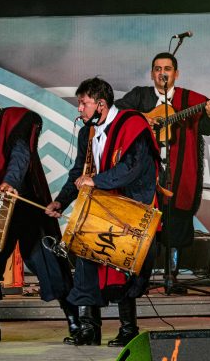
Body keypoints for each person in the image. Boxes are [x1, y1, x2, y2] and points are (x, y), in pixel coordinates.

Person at [0, 76, 75, 342]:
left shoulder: (13, 120)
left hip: (23, 208)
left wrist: (10, 182)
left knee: (49, 262)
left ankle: (77, 323)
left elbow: (21, 155)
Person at [46, 77, 160, 346]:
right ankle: (89, 329)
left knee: (123, 268)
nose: (79, 109)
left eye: (83, 103)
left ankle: (128, 329)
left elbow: (132, 168)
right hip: (99, 208)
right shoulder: (87, 133)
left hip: (130, 209)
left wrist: (95, 181)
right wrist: (61, 201)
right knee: (86, 261)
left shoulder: (133, 124)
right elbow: (79, 172)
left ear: (100, 104)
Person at [115, 52, 210, 292]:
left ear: (176, 74)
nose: (162, 73)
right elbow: (117, 114)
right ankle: (135, 279)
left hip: (176, 173)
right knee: (139, 224)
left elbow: (205, 128)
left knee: (175, 222)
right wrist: (143, 120)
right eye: (158, 69)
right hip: (142, 174)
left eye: (167, 69)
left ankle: (172, 277)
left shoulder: (190, 99)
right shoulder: (140, 96)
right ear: (152, 74)